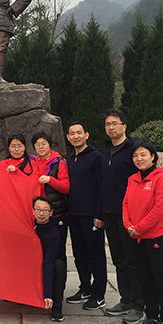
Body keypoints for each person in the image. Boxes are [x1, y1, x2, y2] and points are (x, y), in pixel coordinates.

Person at [123, 139, 163, 324]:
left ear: (153, 156)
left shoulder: (161, 178)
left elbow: (160, 209)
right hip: (137, 237)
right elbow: (126, 203)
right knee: (144, 278)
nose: (139, 158)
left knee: (160, 279)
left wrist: (139, 228)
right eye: (135, 155)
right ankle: (151, 316)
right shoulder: (133, 179)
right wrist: (128, 225)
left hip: (156, 237)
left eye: (143, 154)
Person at [101, 109, 145, 324]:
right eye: (108, 124)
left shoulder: (133, 149)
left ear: (124, 126)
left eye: (115, 123)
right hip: (110, 213)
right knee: (119, 259)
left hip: (129, 215)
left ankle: (138, 305)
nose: (111, 127)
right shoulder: (106, 149)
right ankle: (125, 299)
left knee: (133, 260)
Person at [64, 122, 107, 311]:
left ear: (86, 135)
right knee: (79, 255)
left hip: (91, 216)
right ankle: (85, 288)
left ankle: (99, 294)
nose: (76, 136)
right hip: (73, 215)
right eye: (72, 134)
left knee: (96, 255)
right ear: (68, 137)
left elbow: (103, 187)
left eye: (79, 133)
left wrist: (100, 214)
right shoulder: (70, 159)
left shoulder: (96, 157)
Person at [31, 131, 69, 302]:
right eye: (37, 144)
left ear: (50, 144)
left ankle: (57, 293)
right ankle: (38, 290)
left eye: (44, 143)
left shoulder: (59, 163)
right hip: (37, 217)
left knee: (57, 256)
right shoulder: (32, 162)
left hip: (56, 215)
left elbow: (66, 188)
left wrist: (49, 180)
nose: (41, 146)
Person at [32, 196, 66, 322]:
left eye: (45, 210)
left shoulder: (54, 234)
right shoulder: (29, 226)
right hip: (31, 262)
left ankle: (57, 306)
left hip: (48, 262)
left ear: (51, 213)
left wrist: (48, 294)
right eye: (38, 209)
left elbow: (48, 262)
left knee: (58, 265)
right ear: (33, 211)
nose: (41, 214)